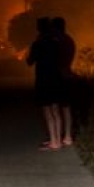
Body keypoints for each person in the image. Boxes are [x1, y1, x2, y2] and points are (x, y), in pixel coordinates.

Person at [26, 17, 64, 151]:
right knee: (56, 110)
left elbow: (29, 61)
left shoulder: (37, 44)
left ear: (38, 28)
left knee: (47, 111)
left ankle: (53, 142)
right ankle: (58, 140)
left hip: (43, 78)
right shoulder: (56, 42)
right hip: (56, 77)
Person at [51, 16, 76, 146]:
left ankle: (57, 137)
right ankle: (67, 136)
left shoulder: (56, 42)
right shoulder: (69, 40)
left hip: (58, 76)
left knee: (55, 107)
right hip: (67, 75)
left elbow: (55, 59)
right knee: (66, 108)